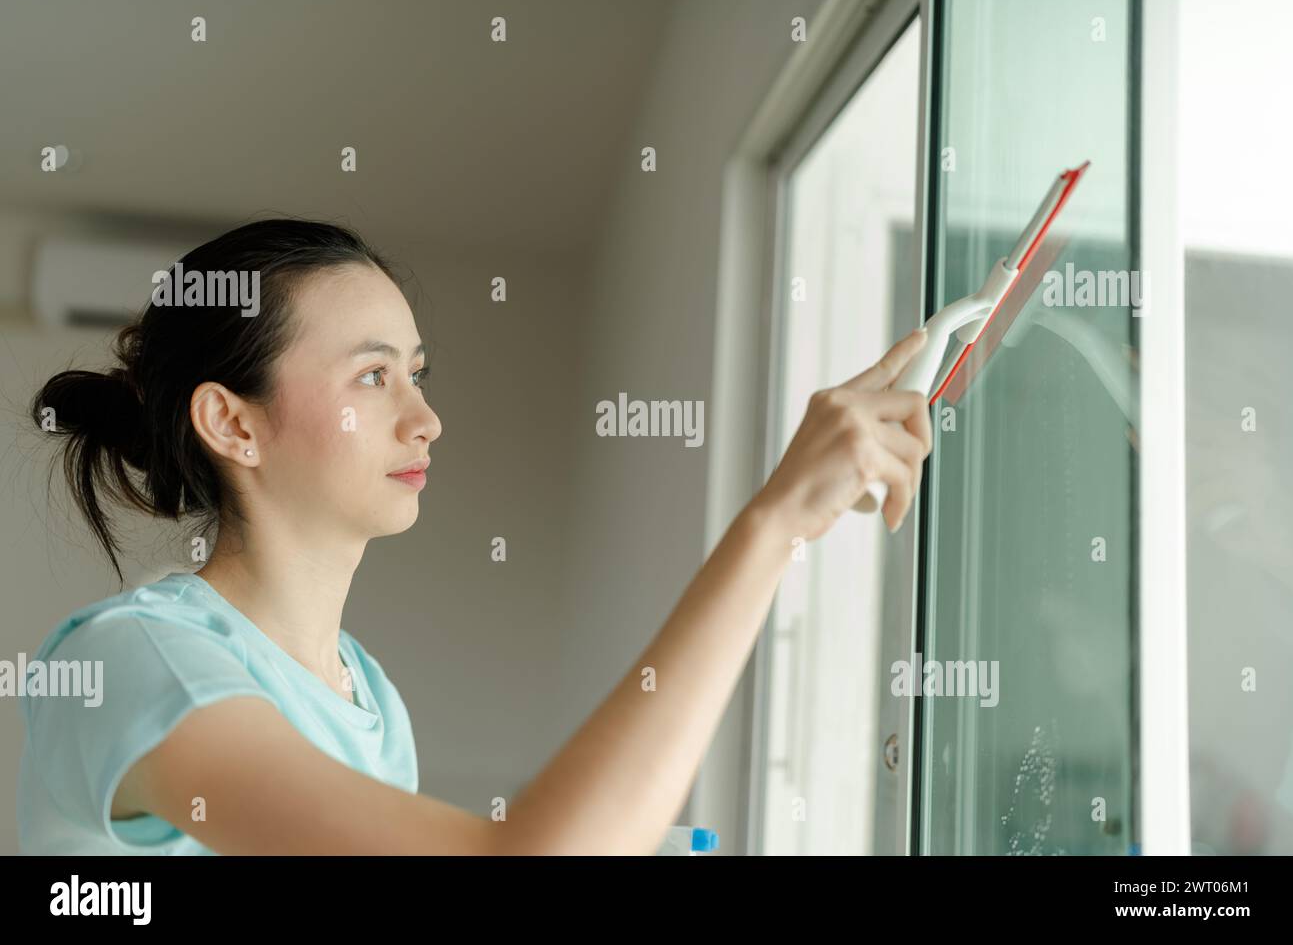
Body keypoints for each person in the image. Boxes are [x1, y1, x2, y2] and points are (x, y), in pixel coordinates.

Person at [18, 217, 932, 855]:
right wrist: (771, 526)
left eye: (416, 373)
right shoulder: (141, 662)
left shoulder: (366, 699)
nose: (427, 420)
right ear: (233, 424)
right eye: (373, 377)